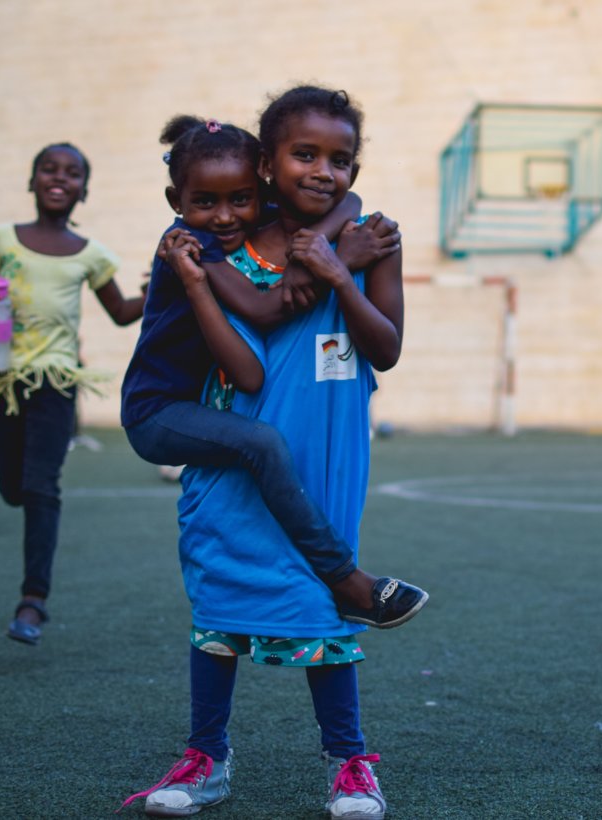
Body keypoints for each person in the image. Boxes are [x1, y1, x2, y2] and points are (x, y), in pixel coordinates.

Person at [122, 86, 404, 819]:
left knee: (320, 605)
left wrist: (343, 259)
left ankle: (350, 763)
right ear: (269, 166)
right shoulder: (228, 245)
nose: (324, 170)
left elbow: (389, 347)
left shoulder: (369, 234)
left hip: (323, 451)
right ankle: (205, 758)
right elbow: (257, 322)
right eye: (304, 154)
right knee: (220, 598)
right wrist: (328, 253)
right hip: (236, 447)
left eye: (340, 159)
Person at [122, 115, 427, 629]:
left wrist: (327, 254)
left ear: (258, 184)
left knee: (265, 448)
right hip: (158, 411)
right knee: (262, 444)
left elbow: (348, 203)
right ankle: (345, 579)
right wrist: (334, 259)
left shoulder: (252, 214)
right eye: (205, 203)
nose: (223, 216)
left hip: (200, 402)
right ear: (178, 202)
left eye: (238, 199)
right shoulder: (191, 243)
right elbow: (263, 311)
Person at [0, 143, 145, 645]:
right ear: (32, 181)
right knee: (13, 490)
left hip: (55, 381)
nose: (59, 178)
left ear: (84, 190)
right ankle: (19, 505)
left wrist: (158, 292)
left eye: (72, 173)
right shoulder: (1, 241)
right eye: (48, 169)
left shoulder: (90, 254)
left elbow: (122, 311)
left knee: (43, 487)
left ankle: (33, 600)